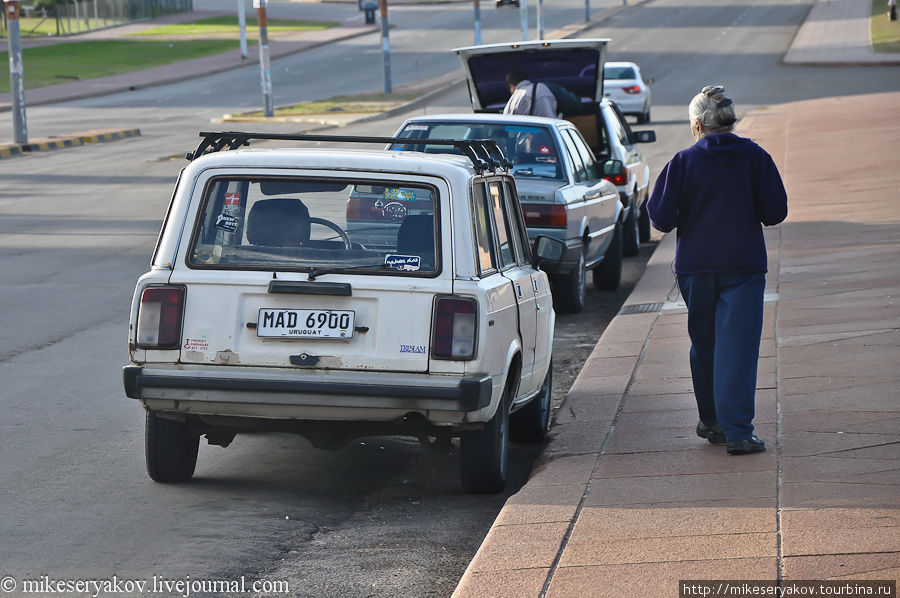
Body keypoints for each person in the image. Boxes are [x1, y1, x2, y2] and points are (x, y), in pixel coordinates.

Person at [647, 85, 788, 455]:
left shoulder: (682, 162)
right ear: (730, 121)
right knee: (737, 349)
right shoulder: (755, 158)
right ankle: (738, 431)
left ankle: (711, 421)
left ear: (698, 125)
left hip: (696, 268)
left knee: (705, 345)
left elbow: (659, 218)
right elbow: (775, 212)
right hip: (742, 266)